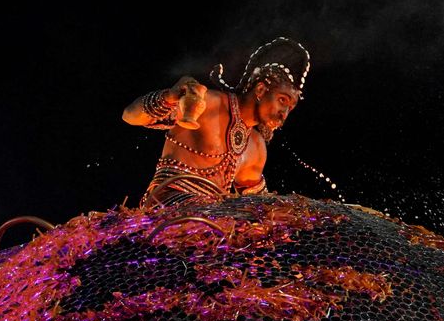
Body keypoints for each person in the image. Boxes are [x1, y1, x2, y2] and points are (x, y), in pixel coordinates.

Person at [123, 38, 310, 210]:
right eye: (282, 100)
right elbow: (130, 115)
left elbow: (258, 204)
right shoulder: (206, 103)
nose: (284, 113)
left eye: (290, 108)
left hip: (212, 226)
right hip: (166, 211)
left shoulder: (257, 147)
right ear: (260, 89)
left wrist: (287, 210)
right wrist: (171, 96)